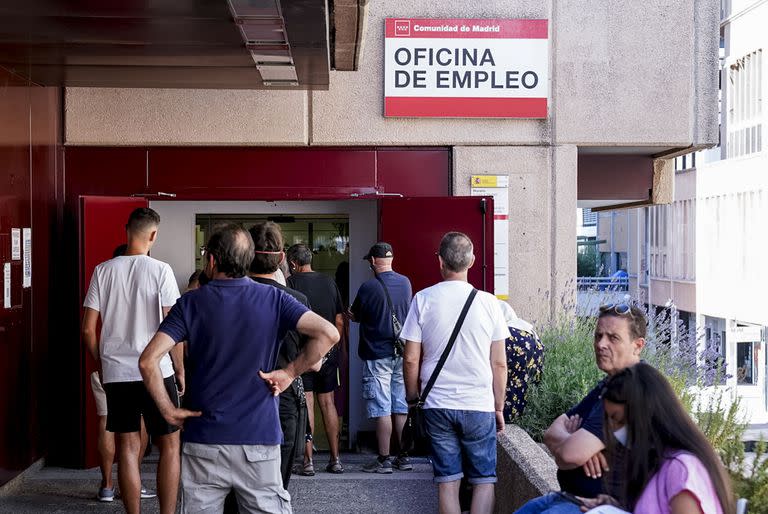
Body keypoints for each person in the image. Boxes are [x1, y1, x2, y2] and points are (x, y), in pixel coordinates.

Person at [139, 224, 339, 513]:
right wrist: (290, 373)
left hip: (204, 439)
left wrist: (168, 411)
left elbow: (148, 360)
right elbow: (329, 334)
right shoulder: (276, 299)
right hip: (259, 439)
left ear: (211, 260)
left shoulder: (190, 304)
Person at [81, 208, 182, 514]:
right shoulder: (161, 270)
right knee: (170, 445)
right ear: (153, 235)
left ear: (126, 230)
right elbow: (173, 324)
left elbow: (87, 328)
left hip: (117, 372)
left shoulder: (102, 270)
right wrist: (180, 368)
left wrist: (101, 362)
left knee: (127, 445)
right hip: (157, 371)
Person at [401, 232, 509, 514]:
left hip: (437, 403)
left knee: (448, 481)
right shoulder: (490, 303)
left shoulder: (423, 299)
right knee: (484, 480)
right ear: (472, 261)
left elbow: (411, 359)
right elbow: (499, 363)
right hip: (479, 403)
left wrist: (413, 399)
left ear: (440, 261)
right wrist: (498, 407)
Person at [513, 303, 647, 514]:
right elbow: (550, 434)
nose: (601, 344)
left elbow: (569, 456)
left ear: (637, 346)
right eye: (598, 336)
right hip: (566, 496)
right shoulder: (609, 383)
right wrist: (575, 442)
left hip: (597, 507)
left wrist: (574, 445)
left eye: (613, 338)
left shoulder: (631, 389)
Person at [579, 362, 734, 514]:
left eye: (619, 420)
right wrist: (615, 508)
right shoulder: (656, 462)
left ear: (647, 414)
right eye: (610, 422)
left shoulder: (681, 469)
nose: (614, 430)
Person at [248, 222, 314, 488]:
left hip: (238, 400)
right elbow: (318, 360)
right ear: (283, 258)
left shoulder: (227, 296)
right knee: (276, 487)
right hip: (283, 400)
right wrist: (290, 371)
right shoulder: (295, 299)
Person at [348, 242, 413, 473]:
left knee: (382, 407)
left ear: (373, 261)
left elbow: (355, 315)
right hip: (401, 352)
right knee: (400, 405)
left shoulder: (368, 287)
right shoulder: (406, 283)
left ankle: (384, 459)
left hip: (377, 354)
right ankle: (403, 457)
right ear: (392, 259)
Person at [286, 243, 345, 475]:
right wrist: (334, 347)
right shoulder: (329, 282)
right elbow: (339, 320)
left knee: (307, 402)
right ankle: (336, 458)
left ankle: (308, 461)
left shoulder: (290, 284)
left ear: (292, 263)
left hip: (302, 354)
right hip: (327, 352)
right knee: (328, 403)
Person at [498, 301, 544, 423]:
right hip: (530, 403)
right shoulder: (530, 333)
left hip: (505, 404)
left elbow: (498, 366)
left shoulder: (506, 336)